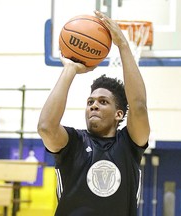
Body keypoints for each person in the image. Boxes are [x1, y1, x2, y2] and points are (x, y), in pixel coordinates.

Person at [37, 10, 150, 216]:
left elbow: (139, 107)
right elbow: (46, 127)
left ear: (118, 114)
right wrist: (70, 69)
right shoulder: (73, 143)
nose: (93, 106)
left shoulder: (130, 145)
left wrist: (123, 46)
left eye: (102, 102)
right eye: (90, 102)